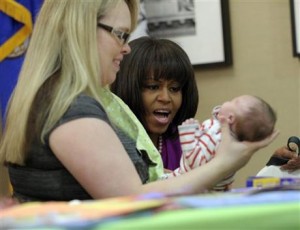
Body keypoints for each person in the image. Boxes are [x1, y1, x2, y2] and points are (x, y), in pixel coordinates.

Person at [0, 0, 278, 203]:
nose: (126, 47)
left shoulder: (53, 98)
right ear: (82, 29)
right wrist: (225, 162)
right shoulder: (70, 107)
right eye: (120, 34)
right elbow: (133, 200)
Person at [110, 36, 198, 171]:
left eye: (174, 89)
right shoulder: (112, 141)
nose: (165, 98)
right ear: (128, 86)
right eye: (153, 87)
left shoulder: (186, 143)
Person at [162, 95, 277, 191]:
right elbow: (214, 121)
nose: (227, 101)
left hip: (187, 184)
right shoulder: (224, 134)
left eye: (233, 101)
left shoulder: (217, 140)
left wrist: (188, 133)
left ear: (230, 118)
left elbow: (193, 162)